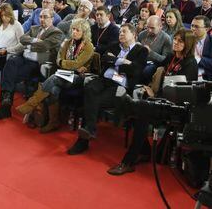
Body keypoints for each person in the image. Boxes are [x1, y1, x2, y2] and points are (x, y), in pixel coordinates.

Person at [108, 29, 198, 175]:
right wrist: (149, 87)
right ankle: (142, 152)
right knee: (140, 110)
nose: (175, 42)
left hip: (175, 106)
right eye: (175, 39)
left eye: (180, 41)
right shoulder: (171, 56)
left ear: (188, 44)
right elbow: (153, 71)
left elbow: (182, 92)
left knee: (140, 109)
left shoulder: (190, 63)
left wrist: (155, 94)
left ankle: (128, 162)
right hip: (161, 99)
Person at [67, 24, 148, 155]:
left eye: (124, 32)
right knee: (89, 87)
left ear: (134, 35)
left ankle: (84, 139)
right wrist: (124, 62)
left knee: (94, 100)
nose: (120, 34)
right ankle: (90, 130)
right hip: (104, 80)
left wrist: (115, 60)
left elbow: (136, 70)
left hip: (120, 86)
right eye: (120, 31)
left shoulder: (141, 51)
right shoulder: (114, 45)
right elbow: (105, 59)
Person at [16, 18, 94, 133]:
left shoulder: (88, 46)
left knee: (54, 78)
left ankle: (31, 103)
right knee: (54, 89)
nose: (74, 32)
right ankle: (53, 122)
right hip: (64, 74)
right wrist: (68, 64)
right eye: (73, 29)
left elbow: (77, 63)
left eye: (78, 30)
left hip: (78, 78)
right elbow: (58, 59)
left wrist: (67, 64)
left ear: (84, 32)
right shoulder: (68, 42)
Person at [0, 8, 64, 121]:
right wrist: (35, 41)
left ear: (52, 19)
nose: (42, 19)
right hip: (23, 57)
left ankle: (5, 108)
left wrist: (30, 43)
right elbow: (23, 39)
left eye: (45, 17)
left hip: (37, 64)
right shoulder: (34, 28)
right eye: (40, 17)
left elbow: (44, 46)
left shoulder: (56, 32)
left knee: (9, 75)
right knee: (11, 62)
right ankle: (6, 101)